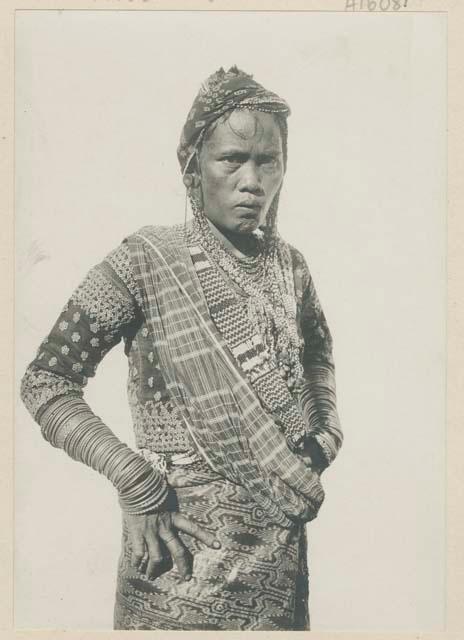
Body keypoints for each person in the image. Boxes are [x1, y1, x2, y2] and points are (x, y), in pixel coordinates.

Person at [20, 66, 343, 631]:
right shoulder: (145, 260)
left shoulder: (291, 267)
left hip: (279, 563)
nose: (252, 180)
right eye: (232, 159)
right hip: (177, 560)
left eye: (268, 160)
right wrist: (134, 480)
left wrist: (325, 431)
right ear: (195, 167)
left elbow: (317, 349)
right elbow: (46, 382)